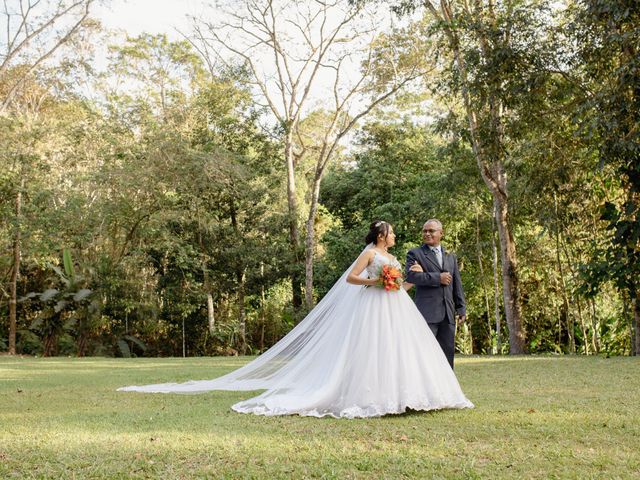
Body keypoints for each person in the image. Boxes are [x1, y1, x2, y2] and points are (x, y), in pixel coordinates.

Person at [118, 221, 473, 418]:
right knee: (371, 350)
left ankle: (408, 394)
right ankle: (372, 396)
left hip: (395, 306)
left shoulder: (393, 255)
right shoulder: (369, 254)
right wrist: (377, 281)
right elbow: (351, 279)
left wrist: (397, 283)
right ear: (382, 235)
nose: (396, 236)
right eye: (392, 232)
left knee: (401, 351)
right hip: (374, 304)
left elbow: (405, 281)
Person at [405, 219, 466, 369]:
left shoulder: (450, 256)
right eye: (425, 231)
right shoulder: (415, 253)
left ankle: (448, 390)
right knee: (425, 354)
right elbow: (412, 277)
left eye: (431, 231)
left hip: (448, 313)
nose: (427, 234)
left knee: (447, 354)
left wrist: (461, 307)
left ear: (441, 233)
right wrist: (438, 278)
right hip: (427, 312)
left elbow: (456, 283)